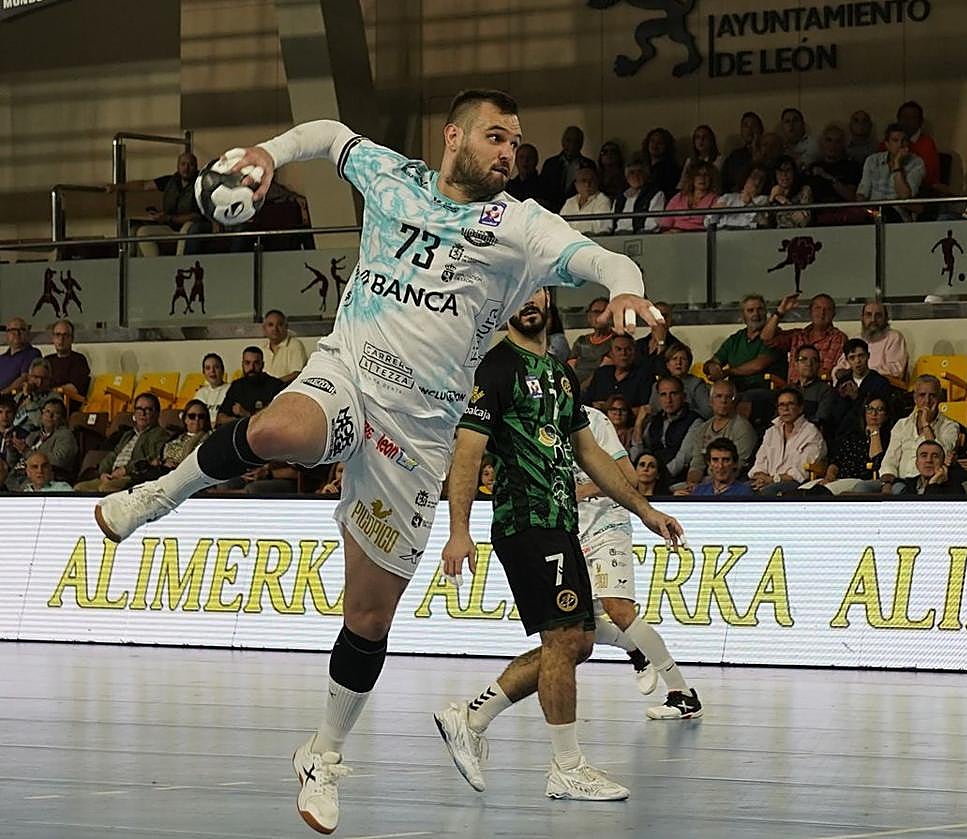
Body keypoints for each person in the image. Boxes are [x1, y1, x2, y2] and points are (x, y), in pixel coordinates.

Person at [92, 89, 664, 834]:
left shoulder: (520, 225)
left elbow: (605, 256)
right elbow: (330, 134)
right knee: (278, 429)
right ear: (453, 136)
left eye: (516, 143)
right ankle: (161, 494)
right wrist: (268, 151)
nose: (508, 152)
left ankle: (321, 753)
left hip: (420, 437)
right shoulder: (393, 178)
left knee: (367, 616)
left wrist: (625, 288)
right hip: (351, 372)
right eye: (495, 137)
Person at [434, 288, 683, 800]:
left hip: (562, 522)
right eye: (518, 291)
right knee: (564, 640)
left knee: (578, 643)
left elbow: (590, 455)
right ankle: (566, 766)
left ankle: (471, 718)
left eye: (537, 290)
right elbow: (467, 454)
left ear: (549, 299)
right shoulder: (496, 369)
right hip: (525, 522)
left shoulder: (561, 373)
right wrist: (458, 529)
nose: (529, 300)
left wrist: (644, 509)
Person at [572, 404, 701, 714]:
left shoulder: (593, 420)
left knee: (618, 607)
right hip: (570, 529)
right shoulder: (534, 420)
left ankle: (682, 693)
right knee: (578, 628)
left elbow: (628, 475)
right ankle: (636, 649)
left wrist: (584, 489)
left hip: (607, 522)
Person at [112, 151, 212, 256]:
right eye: (183, 164)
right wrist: (116, 187)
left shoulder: (201, 184)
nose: (186, 168)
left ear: (195, 167)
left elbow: (197, 216)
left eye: (190, 165)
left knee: (188, 227)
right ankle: (155, 265)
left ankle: (179, 263)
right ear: (177, 166)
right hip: (170, 227)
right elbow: (144, 185)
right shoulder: (170, 181)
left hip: (190, 228)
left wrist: (169, 218)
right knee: (143, 232)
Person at [876, 375, 961, 494]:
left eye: (932, 395)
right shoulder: (902, 424)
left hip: (926, 482)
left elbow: (942, 456)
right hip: (897, 480)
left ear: (940, 398)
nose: (927, 400)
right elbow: (890, 460)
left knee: (899, 491)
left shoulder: (950, 426)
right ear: (915, 398)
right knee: (861, 488)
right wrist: (887, 483)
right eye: (922, 395)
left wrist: (926, 424)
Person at [703, 294, 777, 425]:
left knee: (745, 399)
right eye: (750, 310)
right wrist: (712, 367)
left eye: (759, 309)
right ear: (743, 316)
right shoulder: (735, 339)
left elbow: (758, 365)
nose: (756, 314)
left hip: (764, 391)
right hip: (736, 391)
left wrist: (728, 372)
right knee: (711, 397)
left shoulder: (773, 336)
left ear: (766, 312)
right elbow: (714, 361)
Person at [75, 392, 170, 493]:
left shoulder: (160, 434)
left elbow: (152, 460)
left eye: (148, 409)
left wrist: (126, 469)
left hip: (133, 477)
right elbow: (113, 455)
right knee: (80, 488)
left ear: (157, 413)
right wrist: (103, 473)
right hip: (112, 476)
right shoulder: (128, 434)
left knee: (106, 488)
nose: (142, 413)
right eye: (139, 409)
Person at [677, 380, 757, 490]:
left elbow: (738, 467)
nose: (723, 401)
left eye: (728, 397)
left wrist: (703, 486)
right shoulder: (703, 428)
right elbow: (697, 463)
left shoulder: (743, 428)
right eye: (718, 396)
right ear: (710, 401)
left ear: (734, 402)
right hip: (704, 482)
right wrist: (692, 483)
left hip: (730, 483)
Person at [804, 396, 890, 494]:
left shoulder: (887, 437)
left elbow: (876, 463)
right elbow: (836, 462)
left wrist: (875, 432)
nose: (874, 414)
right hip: (838, 479)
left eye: (880, 410)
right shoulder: (852, 435)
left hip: (860, 480)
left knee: (822, 492)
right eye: (870, 409)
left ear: (886, 415)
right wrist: (829, 476)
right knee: (803, 490)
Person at [749, 387, 826, 496]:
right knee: (741, 490)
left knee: (766, 493)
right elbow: (760, 461)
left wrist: (772, 479)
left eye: (790, 404)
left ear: (800, 408)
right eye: (781, 405)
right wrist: (761, 477)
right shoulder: (771, 432)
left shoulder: (811, 432)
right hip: (768, 480)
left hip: (795, 484)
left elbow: (801, 472)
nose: (785, 408)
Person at [763, 293, 847, 381]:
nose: (822, 312)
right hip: (792, 390)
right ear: (810, 311)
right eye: (817, 308)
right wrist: (780, 312)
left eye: (828, 309)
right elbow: (766, 338)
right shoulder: (797, 335)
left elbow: (827, 371)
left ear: (834, 314)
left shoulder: (837, 337)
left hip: (818, 389)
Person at [631, 375, 702, 479]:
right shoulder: (656, 420)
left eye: (673, 394)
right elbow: (636, 455)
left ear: (684, 396)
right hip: (650, 477)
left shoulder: (695, 421)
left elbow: (682, 460)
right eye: (663, 395)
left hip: (674, 479)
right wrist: (638, 423)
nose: (668, 400)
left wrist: (658, 477)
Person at [856, 124, 925, 222]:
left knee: (887, 211)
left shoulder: (917, 163)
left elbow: (904, 197)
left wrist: (897, 165)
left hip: (899, 218)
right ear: (887, 144)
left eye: (904, 141)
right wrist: (872, 213)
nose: (900, 145)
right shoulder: (872, 160)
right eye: (895, 141)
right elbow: (861, 195)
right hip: (873, 214)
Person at [6, 397, 76, 490]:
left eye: (56, 413)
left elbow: (59, 461)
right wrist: (12, 450)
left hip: (38, 480)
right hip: (14, 476)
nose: (50, 416)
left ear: (62, 419)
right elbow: (12, 463)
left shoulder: (65, 435)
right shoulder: (33, 435)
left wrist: (26, 451)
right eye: (47, 411)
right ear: (42, 415)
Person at [832, 300, 908, 381]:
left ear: (886, 318)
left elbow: (896, 370)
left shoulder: (894, 337)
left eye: (878, 315)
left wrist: (863, 371)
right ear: (862, 318)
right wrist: (838, 372)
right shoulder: (856, 338)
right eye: (868, 315)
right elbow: (841, 366)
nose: (873, 320)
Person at [582, 334, 654, 410]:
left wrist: (607, 407)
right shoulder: (601, 374)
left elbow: (644, 408)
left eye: (628, 349)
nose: (623, 353)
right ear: (611, 354)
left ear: (635, 353)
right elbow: (586, 402)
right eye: (618, 349)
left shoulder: (644, 376)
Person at [216, 347, 285, 424]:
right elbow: (220, 417)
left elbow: (276, 418)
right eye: (247, 363)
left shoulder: (275, 385)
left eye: (256, 363)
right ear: (242, 364)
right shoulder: (237, 386)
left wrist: (246, 414)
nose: (251, 367)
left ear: (262, 365)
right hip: (239, 431)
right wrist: (241, 421)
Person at [647, 343, 711, 419]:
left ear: (689, 363)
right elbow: (652, 412)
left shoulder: (697, 384)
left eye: (683, 359)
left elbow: (708, 412)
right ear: (667, 364)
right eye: (674, 359)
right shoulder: (657, 385)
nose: (678, 363)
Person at [541, 125, 595, 212]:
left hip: (576, 211)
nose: (572, 144)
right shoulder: (550, 164)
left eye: (576, 141)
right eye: (568, 140)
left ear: (581, 144)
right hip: (551, 212)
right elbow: (543, 189)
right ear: (562, 142)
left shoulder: (588, 165)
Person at [658, 161, 718, 232]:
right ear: (692, 178)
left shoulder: (715, 199)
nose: (702, 178)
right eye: (698, 175)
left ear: (711, 179)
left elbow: (711, 227)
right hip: (674, 237)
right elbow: (665, 223)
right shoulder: (679, 197)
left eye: (706, 175)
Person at [569, 297, 614, 390]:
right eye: (596, 312)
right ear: (589, 316)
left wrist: (581, 389)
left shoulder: (615, 340)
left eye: (604, 311)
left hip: (597, 388)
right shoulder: (581, 341)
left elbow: (601, 372)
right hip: (574, 386)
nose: (600, 316)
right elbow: (570, 366)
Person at [612, 158, 666, 234]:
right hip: (618, 236)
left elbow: (652, 224)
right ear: (626, 177)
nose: (636, 176)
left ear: (646, 175)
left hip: (642, 236)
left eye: (640, 172)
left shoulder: (655, 194)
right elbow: (611, 221)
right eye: (632, 173)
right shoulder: (620, 197)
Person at [894, 101, 940, 189]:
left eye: (912, 117)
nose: (907, 121)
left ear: (920, 121)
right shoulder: (887, 142)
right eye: (904, 117)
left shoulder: (927, 144)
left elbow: (928, 177)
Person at [709, 164, 770, 230]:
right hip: (723, 235)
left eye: (762, 180)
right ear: (745, 178)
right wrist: (714, 212)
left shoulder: (764, 200)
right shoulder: (728, 197)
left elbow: (763, 224)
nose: (757, 182)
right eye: (754, 177)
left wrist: (749, 204)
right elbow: (708, 223)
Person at [44, 319, 90, 404]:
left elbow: (74, 389)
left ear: (72, 339)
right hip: (43, 403)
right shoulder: (47, 360)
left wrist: (50, 392)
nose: (61, 339)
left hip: (65, 404)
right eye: (57, 335)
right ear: (53, 338)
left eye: (65, 335)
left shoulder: (79, 360)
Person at [559, 165, 614, 235]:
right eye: (583, 180)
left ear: (597, 182)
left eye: (591, 180)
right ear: (576, 185)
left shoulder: (602, 200)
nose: (587, 184)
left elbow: (602, 228)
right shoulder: (570, 201)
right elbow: (560, 225)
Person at [895, 440, 963, 495]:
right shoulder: (908, 486)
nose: (929, 460)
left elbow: (931, 510)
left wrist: (933, 484)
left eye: (935, 456)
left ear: (942, 463)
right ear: (917, 463)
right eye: (924, 456)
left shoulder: (955, 489)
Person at [689, 438, 753, 496]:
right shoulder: (699, 491)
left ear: (735, 463)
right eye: (715, 460)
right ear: (709, 464)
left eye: (726, 460)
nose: (720, 466)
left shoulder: (744, 493)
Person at [721, 111, 764, 195]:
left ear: (761, 129)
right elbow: (726, 182)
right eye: (746, 126)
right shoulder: (735, 156)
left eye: (753, 126)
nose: (749, 130)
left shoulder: (768, 152)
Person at [262, 309, 309, 384]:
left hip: (287, 390)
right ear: (264, 328)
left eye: (280, 324)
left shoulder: (295, 345)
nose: (275, 329)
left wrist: (273, 385)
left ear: (286, 327)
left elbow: (297, 374)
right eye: (270, 325)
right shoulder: (262, 348)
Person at [505, 143, 552, 209]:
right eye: (521, 157)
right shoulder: (509, 186)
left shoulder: (545, 185)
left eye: (530, 157)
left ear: (536, 161)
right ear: (515, 161)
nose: (525, 161)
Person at [0, 318, 41, 392]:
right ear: (7, 335)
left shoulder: (32, 353)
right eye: (13, 330)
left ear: (28, 333)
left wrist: (3, 393)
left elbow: (24, 378)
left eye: (21, 330)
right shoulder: (1, 358)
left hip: (13, 399)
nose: (17, 333)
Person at [678, 124, 722, 191]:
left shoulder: (718, 160)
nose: (701, 140)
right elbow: (682, 183)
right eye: (698, 137)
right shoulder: (689, 160)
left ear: (711, 140)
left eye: (705, 137)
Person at [641, 128, 681, 201]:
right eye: (652, 141)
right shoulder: (642, 165)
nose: (655, 145)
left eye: (660, 143)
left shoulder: (671, 169)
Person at [192, 353, 231, 425]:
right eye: (208, 368)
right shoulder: (200, 393)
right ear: (203, 373)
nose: (212, 371)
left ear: (222, 370)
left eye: (216, 367)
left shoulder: (231, 389)